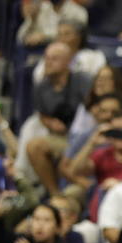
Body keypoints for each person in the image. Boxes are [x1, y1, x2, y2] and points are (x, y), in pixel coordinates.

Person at [21, 42, 90, 197]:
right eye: (46, 58)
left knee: (65, 164)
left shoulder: (82, 80)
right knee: (34, 146)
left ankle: (87, 190)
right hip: (61, 137)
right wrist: (50, 122)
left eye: (54, 58)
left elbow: (94, 109)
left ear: (68, 61)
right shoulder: (41, 87)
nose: (48, 62)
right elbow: (42, 114)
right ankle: (54, 194)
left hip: (85, 138)